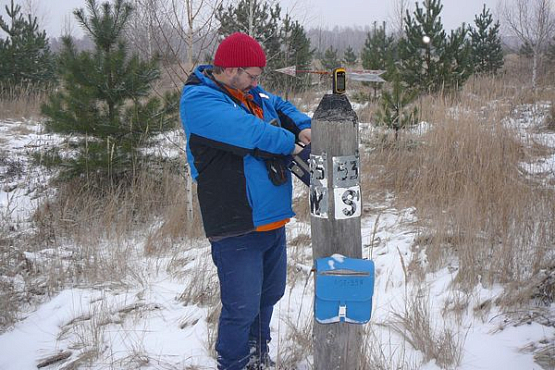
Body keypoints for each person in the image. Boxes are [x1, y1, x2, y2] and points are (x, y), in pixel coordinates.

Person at [179, 32, 311, 370]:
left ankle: (258, 355)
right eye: (252, 74)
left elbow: (279, 104)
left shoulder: (251, 92)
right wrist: (293, 145)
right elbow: (250, 132)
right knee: (241, 307)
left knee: (269, 296)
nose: (257, 82)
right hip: (236, 222)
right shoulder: (200, 101)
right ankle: (235, 363)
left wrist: (302, 125)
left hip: (270, 219)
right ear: (231, 69)